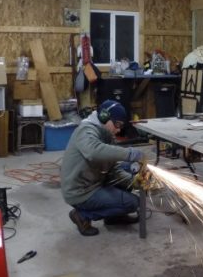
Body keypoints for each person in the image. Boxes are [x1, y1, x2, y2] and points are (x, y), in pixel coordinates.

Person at [61, 100, 144, 236]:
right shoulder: (86, 130)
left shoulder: (106, 134)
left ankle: (113, 217)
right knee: (133, 203)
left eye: (121, 126)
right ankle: (82, 215)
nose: (118, 130)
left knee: (129, 168)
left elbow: (113, 168)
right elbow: (94, 151)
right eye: (117, 125)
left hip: (93, 181)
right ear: (104, 117)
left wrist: (133, 181)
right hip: (81, 191)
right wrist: (128, 153)